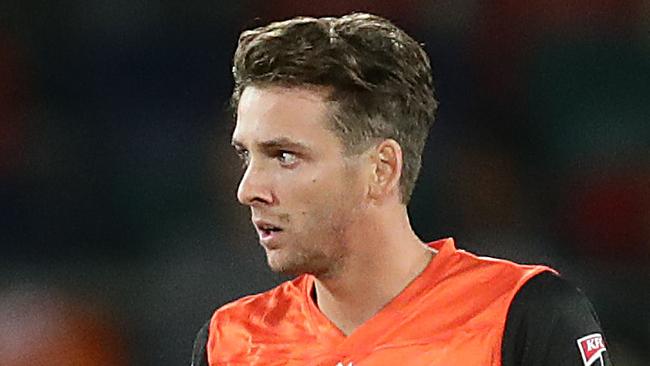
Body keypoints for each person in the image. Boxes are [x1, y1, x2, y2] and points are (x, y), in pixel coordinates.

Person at [192, 13, 611, 366]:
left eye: (284, 156)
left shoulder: (522, 315)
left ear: (382, 169)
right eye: (246, 156)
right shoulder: (229, 342)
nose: (248, 190)